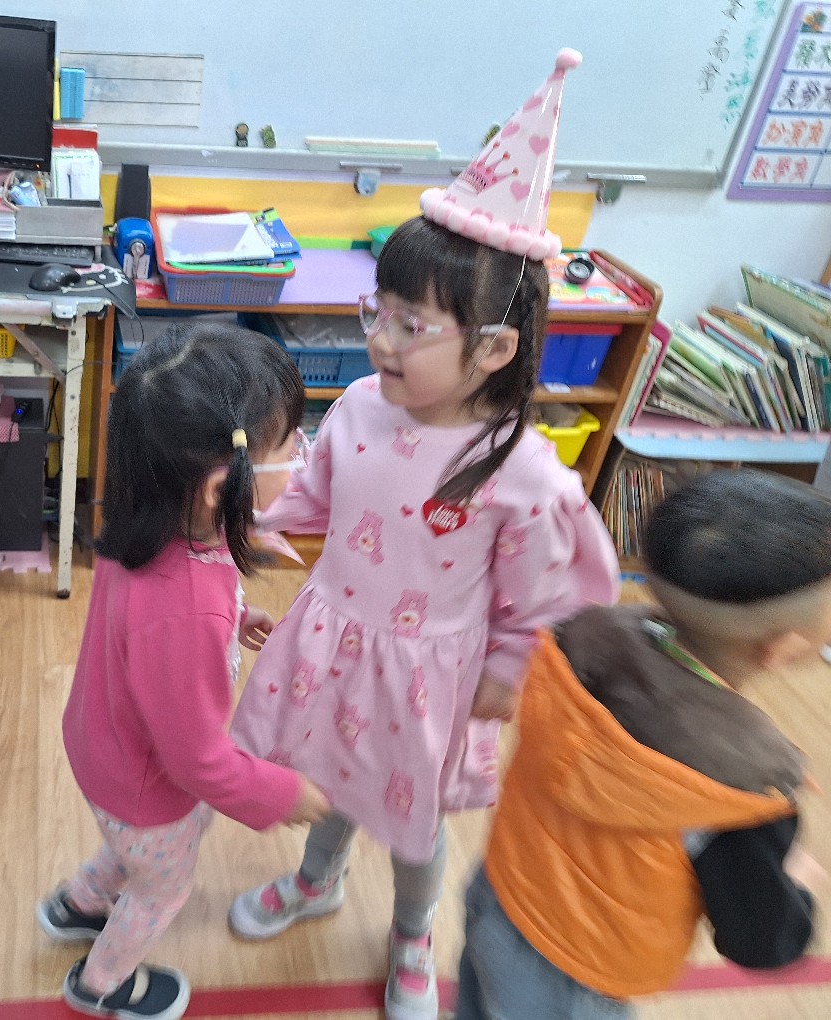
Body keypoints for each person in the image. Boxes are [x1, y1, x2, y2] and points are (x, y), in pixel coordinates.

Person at [227, 49, 619, 1020]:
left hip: (428, 677)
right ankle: (317, 881)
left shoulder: (523, 472)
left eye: (412, 326)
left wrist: (505, 675)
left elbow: (541, 598)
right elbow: (315, 492)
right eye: (382, 312)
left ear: (494, 348)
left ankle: (411, 933)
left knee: (409, 823)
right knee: (329, 780)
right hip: (335, 639)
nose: (381, 340)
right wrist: (249, 525)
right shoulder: (361, 404)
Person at [36, 321, 332, 1020]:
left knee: (136, 853)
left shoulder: (151, 523)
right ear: (222, 486)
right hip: (148, 785)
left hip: (105, 746)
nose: (304, 453)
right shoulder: (187, 605)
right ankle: (101, 984)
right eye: (292, 444)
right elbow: (198, 760)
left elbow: (157, 629)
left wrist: (235, 615)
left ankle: (80, 903)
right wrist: (280, 795)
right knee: (162, 887)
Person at [456, 468, 830, 1019]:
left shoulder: (576, 644)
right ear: (782, 648)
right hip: (583, 974)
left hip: (501, 891)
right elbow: (762, 942)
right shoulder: (741, 790)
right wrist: (796, 883)